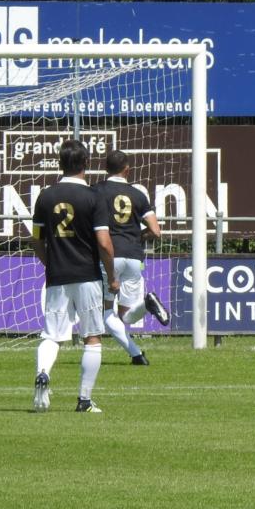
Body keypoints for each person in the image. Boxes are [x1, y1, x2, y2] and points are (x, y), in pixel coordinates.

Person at [29, 138, 120, 413]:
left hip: (57, 276)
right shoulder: (94, 197)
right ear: (85, 164)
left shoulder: (46, 196)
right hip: (87, 275)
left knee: (52, 335)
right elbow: (104, 242)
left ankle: (43, 372)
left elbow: (36, 239)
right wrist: (112, 276)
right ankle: (84, 400)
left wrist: (50, 262)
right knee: (92, 337)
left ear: (60, 163)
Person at [95, 149, 170, 366]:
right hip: (134, 257)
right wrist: (137, 236)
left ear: (105, 168)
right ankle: (147, 305)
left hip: (110, 255)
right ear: (127, 170)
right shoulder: (138, 194)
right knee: (126, 316)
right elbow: (156, 231)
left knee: (107, 311)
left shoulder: (97, 191)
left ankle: (136, 354)